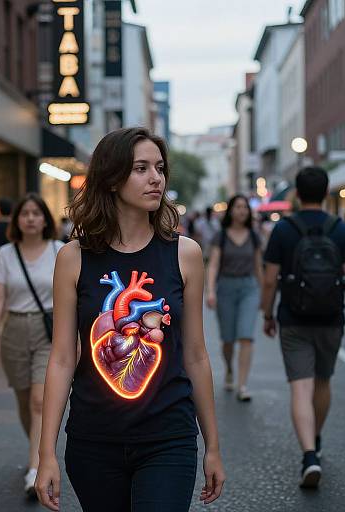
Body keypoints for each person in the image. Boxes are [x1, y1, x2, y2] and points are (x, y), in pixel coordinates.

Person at [35, 127, 225, 511]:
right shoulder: (74, 257)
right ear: (111, 177)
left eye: (159, 167)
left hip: (169, 437)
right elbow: (62, 358)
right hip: (93, 440)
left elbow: (196, 355)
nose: (156, 178)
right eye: (140, 168)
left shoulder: (184, 254)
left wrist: (213, 447)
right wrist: (46, 455)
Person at [261, 167, 345, 489]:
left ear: (296, 193)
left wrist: (267, 314)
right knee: (323, 382)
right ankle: (316, 440)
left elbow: (269, 280)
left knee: (300, 387)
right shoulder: (340, 229)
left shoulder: (283, 230)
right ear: (325, 192)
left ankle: (309, 455)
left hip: (293, 317)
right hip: (331, 317)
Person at [0, 194, 63, 496]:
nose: (30, 218)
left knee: (39, 401)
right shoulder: (6, 253)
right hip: (14, 329)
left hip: (50, 329)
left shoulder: (59, 251)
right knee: (23, 401)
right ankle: (38, 450)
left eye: (36, 213)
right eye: (24, 214)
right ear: (16, 220)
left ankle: (36, 467)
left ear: (46, 219)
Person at [206, 195, 262, 401]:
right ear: (230, 211)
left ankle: (242, 385)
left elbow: (258, 267)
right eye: (238, 207)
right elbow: (213, 265)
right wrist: (210, 291)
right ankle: (229, 368)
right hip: (226, 288)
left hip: (249, 288)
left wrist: (265, 295)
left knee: (246, 336)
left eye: (244, 207)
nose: (241, 211)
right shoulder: (220, 236)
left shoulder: (254, 236)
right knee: (228, 339)